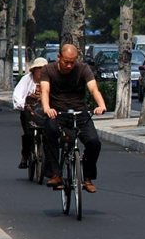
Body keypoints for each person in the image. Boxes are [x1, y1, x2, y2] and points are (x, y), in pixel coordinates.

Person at [41, 44, 106, 193]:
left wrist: (101, 105)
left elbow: (93, 89)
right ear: (59, 58)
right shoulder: (48, 70)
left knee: (94, 143)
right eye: (66, 62)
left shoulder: (83, 69)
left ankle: (87, 177)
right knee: (50, 132)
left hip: (79, 112)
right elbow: (45, 90)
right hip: (57, 113)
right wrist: (47, 108)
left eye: (73, 62)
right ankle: (55, 174)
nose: (70, 65)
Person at [13, 57, 49, 169]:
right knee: (28, 134)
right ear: (34, 70)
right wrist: (23, 104)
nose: (41, 72)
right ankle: (25, 156)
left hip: (45, 111)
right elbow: (17, 94)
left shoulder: (50, 80)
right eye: (39, 69)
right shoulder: (26, 79)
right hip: (29, 111)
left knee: (51, 134)